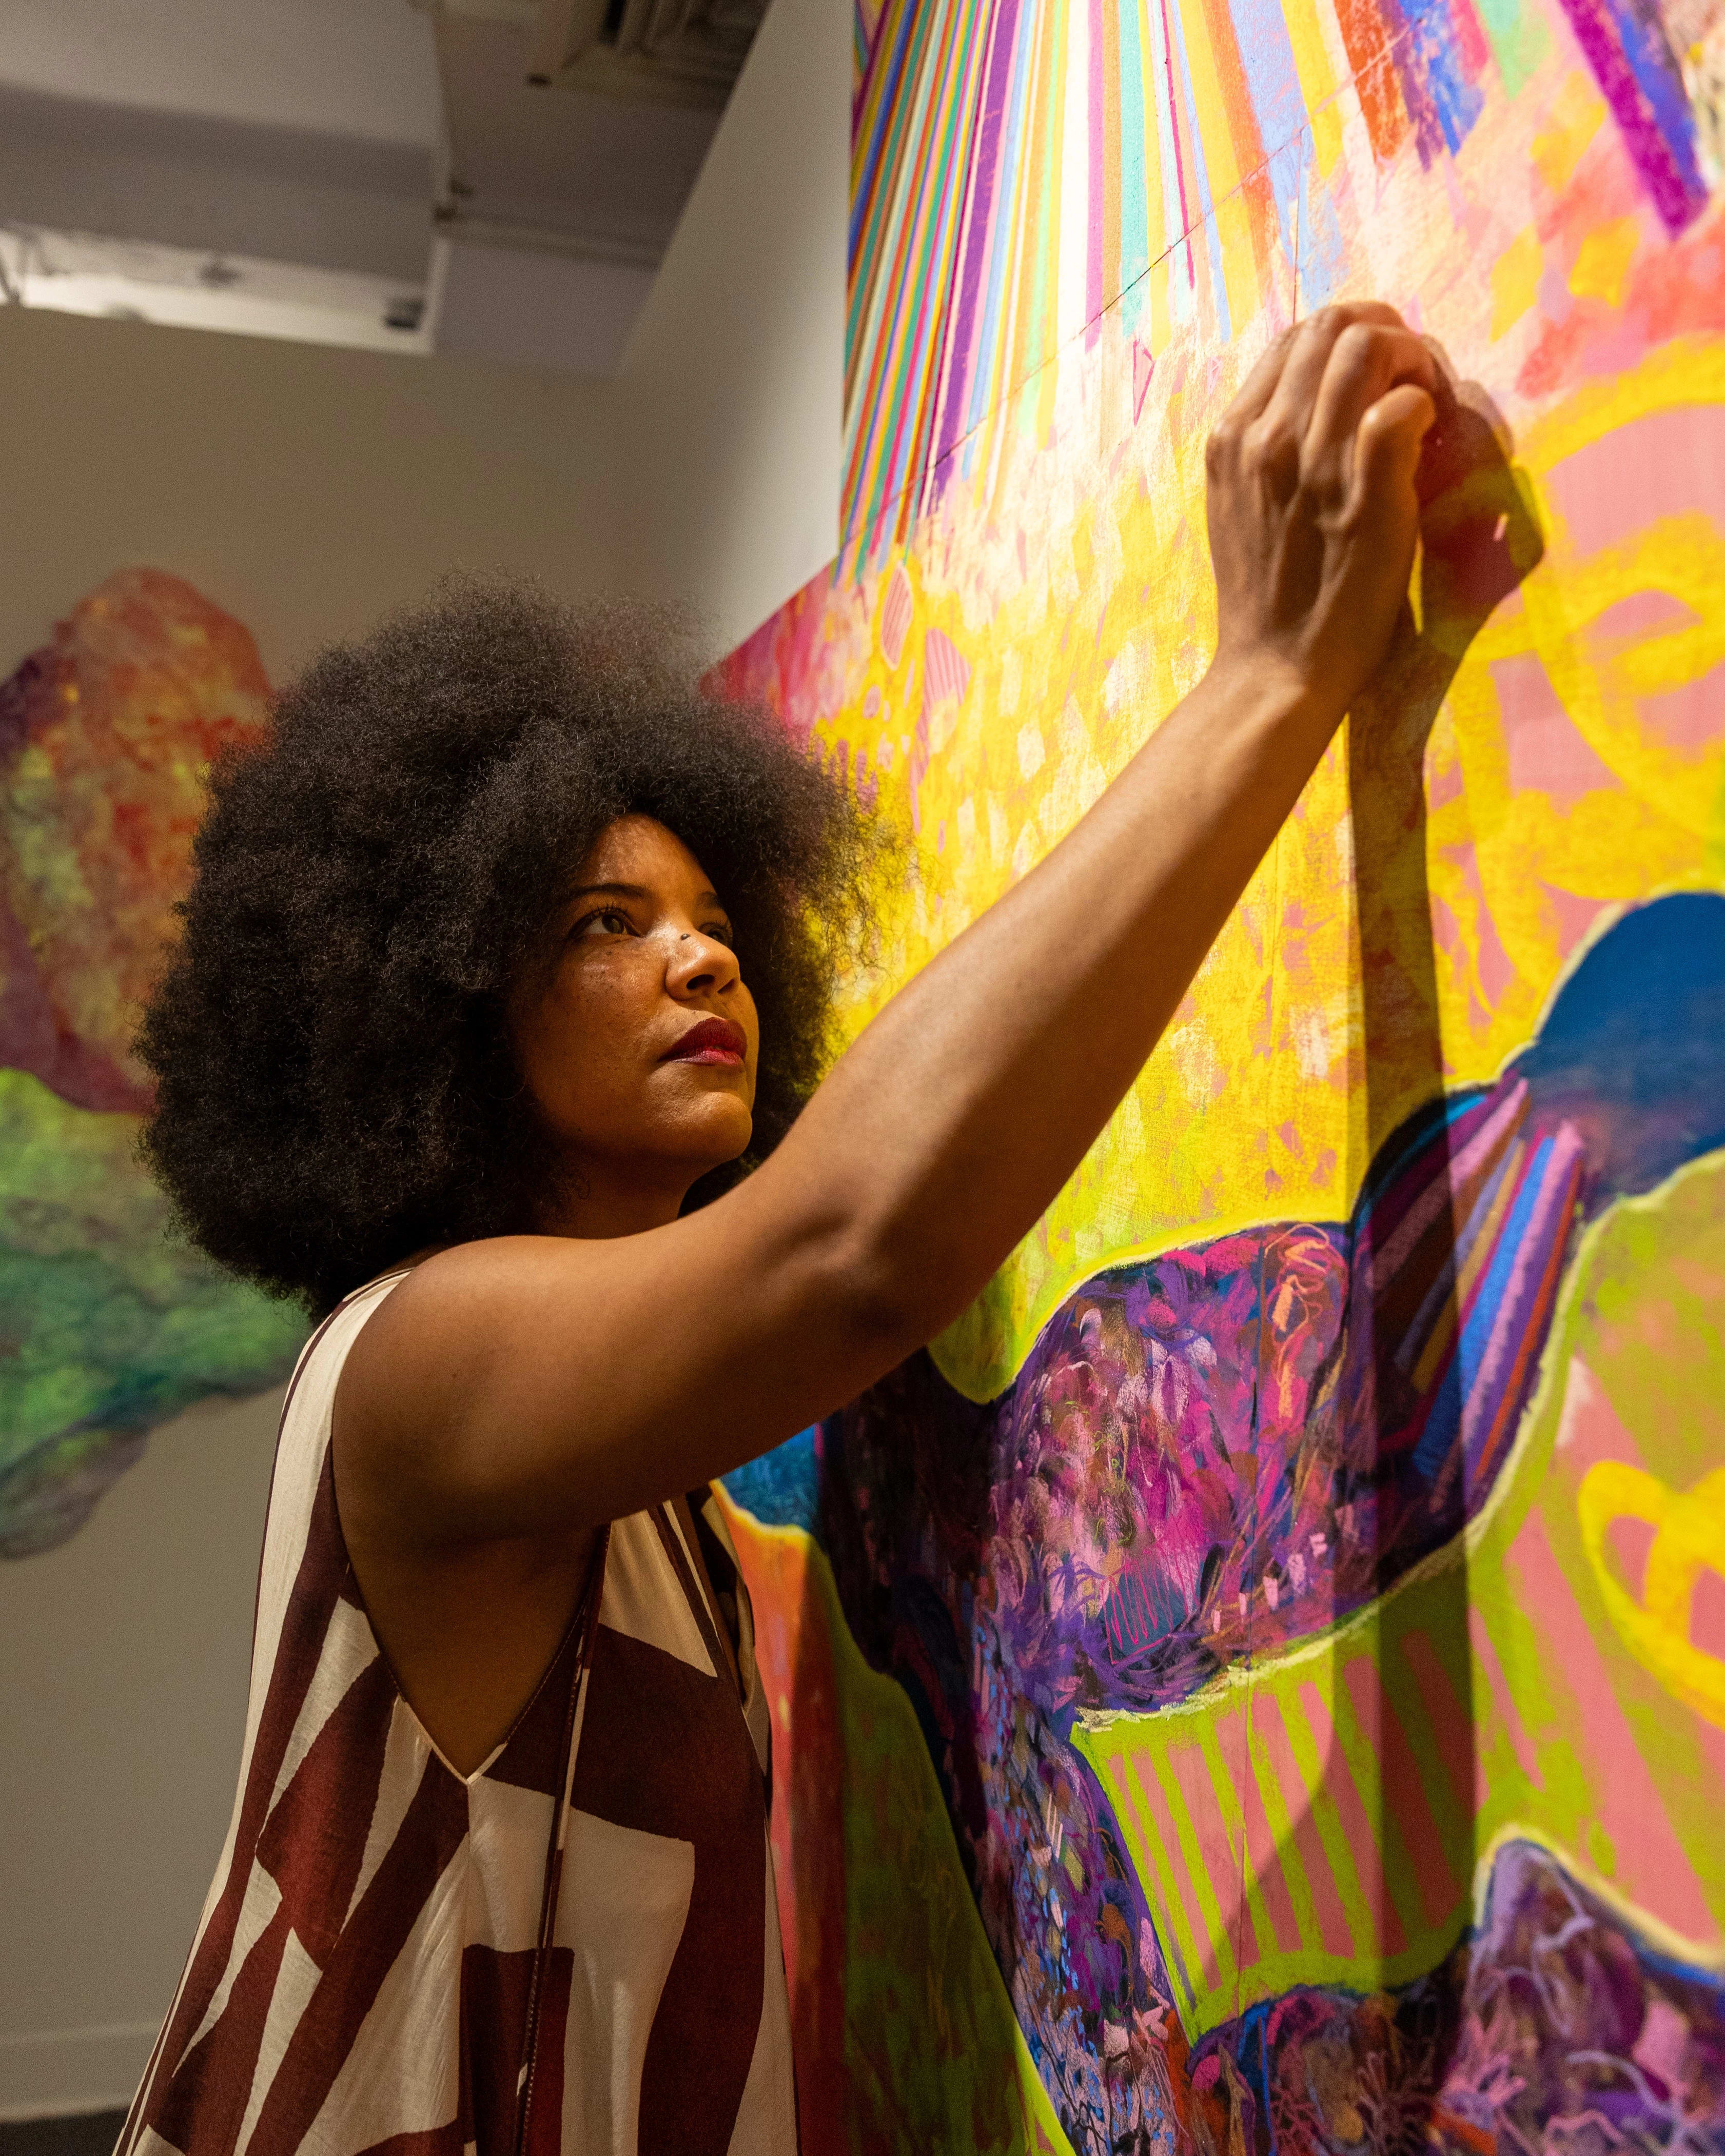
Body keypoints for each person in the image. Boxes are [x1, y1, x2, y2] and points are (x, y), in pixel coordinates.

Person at [119, 301, 1440, 2156]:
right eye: (604, 924)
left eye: (715, 919)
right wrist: (1269, 669)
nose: (700, 956)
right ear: (437, 994)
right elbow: (853, 1251)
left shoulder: (653, 1478)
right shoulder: (415, 1357)